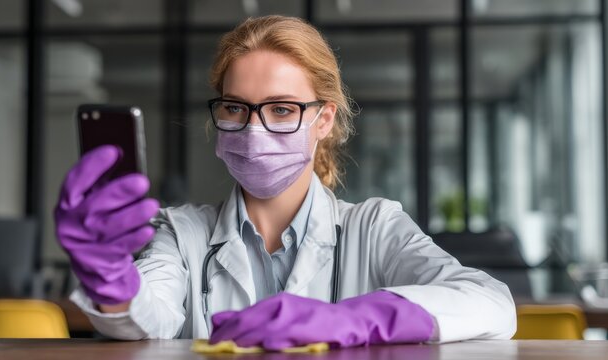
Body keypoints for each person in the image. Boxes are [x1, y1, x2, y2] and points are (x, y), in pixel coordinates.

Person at [55, 15, 516, 349]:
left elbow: (492, 304)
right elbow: (146, 323)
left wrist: (352, 318)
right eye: (236, 107)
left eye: (281, 109)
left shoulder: (373, 227)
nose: (254, 129)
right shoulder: (182, 232)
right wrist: (114, 286)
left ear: (323, 120)